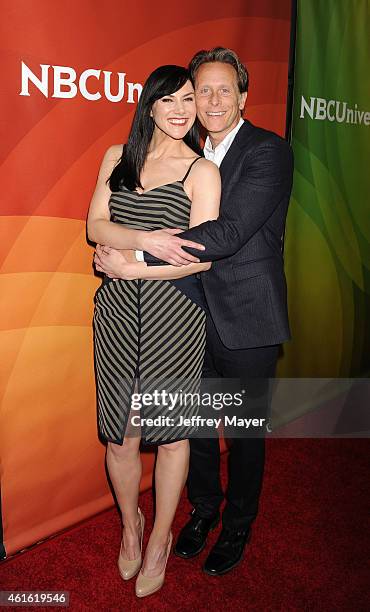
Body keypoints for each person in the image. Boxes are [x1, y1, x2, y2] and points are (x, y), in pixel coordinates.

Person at [96, 48, 294, 577]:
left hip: (247, 317)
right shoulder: (190, 151)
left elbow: (227, 235)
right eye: (199, 90)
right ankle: (204, 510)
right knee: (196, 428)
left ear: (243, 96)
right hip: (188, 314)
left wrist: (134, 257)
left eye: (222, 89)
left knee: (244, 434)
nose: (209, 100)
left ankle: (238, 524)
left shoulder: (267, 151)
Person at [87, 64, 220, 597]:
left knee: (172, 436)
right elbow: (95, 224)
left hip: (174, 314)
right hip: (116, 311)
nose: (181, 109)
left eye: (188, 99)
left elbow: (201, 259)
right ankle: (131, 525)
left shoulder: (201, 172)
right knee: (121, 435)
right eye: (169, 100)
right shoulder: (118, 158)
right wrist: (147, 236)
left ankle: (161, 537)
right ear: (150, 105)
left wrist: (136, 261)